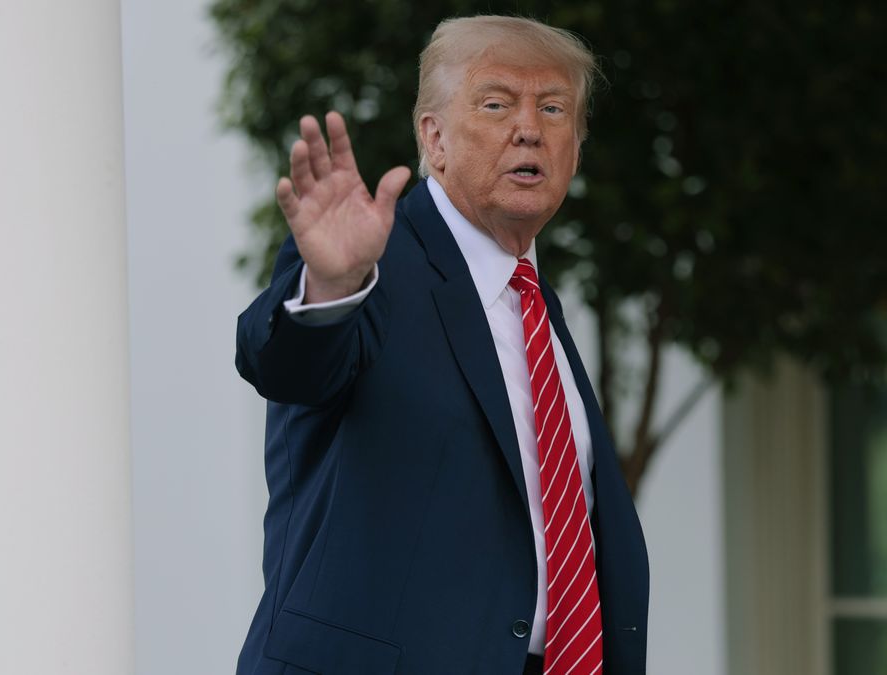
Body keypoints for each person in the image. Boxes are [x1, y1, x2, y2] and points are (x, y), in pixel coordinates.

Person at [235, 15, 648, 675]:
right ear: (434, 136)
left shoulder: (536, 304)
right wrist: (333, 284)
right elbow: (287, 365)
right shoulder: (373, 264)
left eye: (553, 107)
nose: (528, 127)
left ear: (577, 143)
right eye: (496, 103)